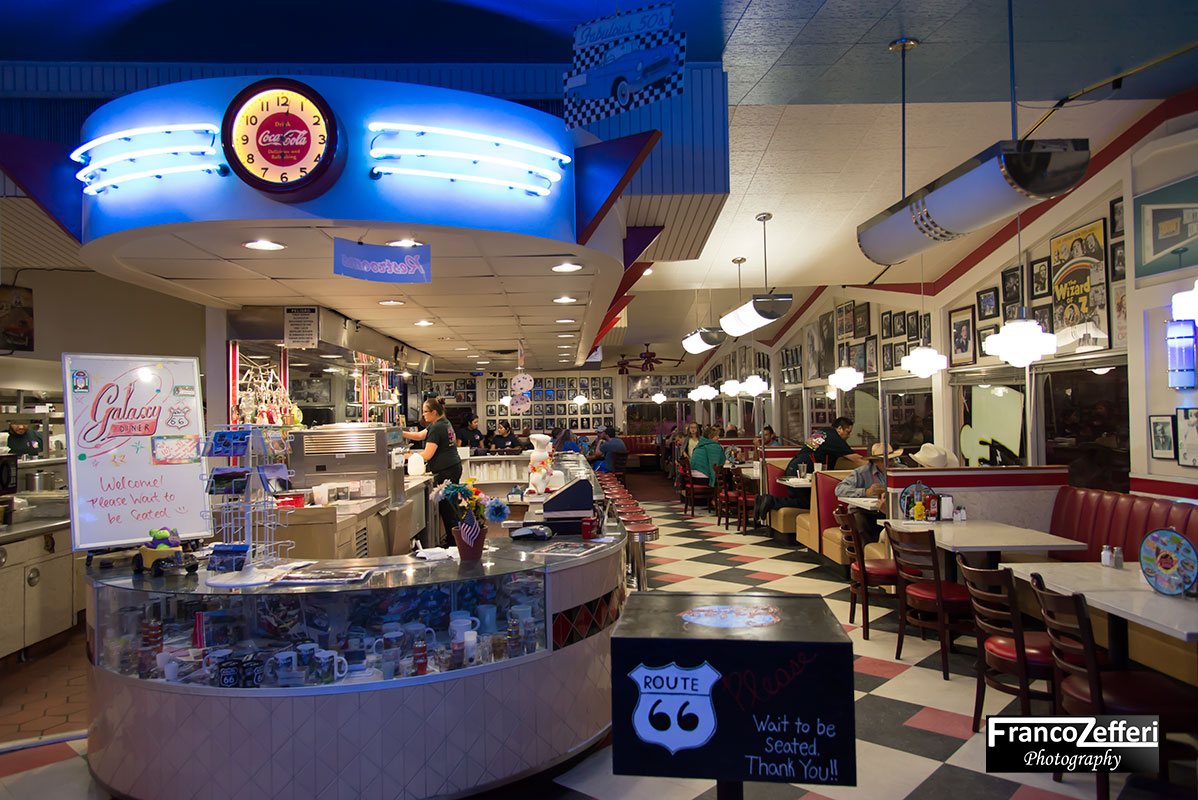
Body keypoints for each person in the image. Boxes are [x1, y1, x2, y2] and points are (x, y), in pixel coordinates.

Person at [754, 417, 861, 522]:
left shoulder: (823, 432)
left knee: (805, 500)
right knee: (808, 503)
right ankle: (771, 500)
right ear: (839, 428)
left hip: (794, 466)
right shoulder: (835, 438)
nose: (848, 436)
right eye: (847, 432)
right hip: (801, 471)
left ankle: (763, 500)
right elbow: (856, 459)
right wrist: (870, 464)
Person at [401, 398, 461, 547]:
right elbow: (420, 435)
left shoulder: (437, 427)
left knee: (448, 509)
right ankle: (456, 541)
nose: (423, 415)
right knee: (451, 506)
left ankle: (454, 544)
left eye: (425, 411)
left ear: (434, 412)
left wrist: (403, 456)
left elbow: (427, 455)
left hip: (446, 471)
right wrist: (400, 433)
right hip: (453, 467)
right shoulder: (442, 422)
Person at [835, 443, 902, 537]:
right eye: (886, 460)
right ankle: (866, 546)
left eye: (892, 459)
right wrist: (865, 492)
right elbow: (839, 489)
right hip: (864, 511)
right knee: (862, 522)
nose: (890, 463)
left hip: (890, 510)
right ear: (875, 461)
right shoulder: (862, 472)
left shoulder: (901, 470)